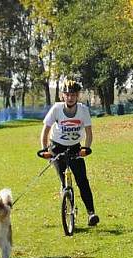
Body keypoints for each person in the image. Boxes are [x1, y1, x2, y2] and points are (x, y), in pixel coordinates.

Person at [37, 80, 99, 226]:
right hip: (57, 147)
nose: (70, 97)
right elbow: (45, 131)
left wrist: (86, 148)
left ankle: (91, 213)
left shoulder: (83, 110)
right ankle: (67, 208)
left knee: (82, 181)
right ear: (62, 96)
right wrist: (45, 150)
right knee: (64, 182)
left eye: (73, 94)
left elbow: (89, 133)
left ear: (77, 96)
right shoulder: (56, 109)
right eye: (67, 94)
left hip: (75, 148)